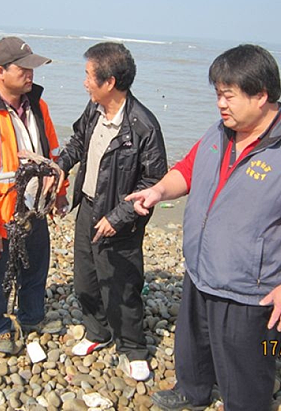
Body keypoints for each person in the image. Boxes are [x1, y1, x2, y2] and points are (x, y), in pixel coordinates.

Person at [127, 44, 281, 410]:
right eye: (218, 95)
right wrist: (158, 190)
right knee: (193, 346)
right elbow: (188, 169)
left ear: (261, 96)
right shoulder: (220, 131)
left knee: (245, 367)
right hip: (201, 269)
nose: (220, 104)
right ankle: (192, 392)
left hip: (249, 288)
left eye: (229, 95)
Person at [57, 42, 168, 381]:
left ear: (110, 82)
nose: (84, 82)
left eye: (89, 76)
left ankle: (133, 347)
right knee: (86, 279)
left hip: (121, 221)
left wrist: (119, 216)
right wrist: (61, 165)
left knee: (121, 285)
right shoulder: (95, 109)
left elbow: (154, 181)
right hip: (88, 208)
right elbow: (78, 141)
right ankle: (96, 331)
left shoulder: (143, 125)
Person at [0, 37, 67, 355]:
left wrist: (58, 192)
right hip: (1, 216)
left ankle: (32, 317)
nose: (31, 74)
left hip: (35, 209)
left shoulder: (38, 105)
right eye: (23, 68)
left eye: (33, 67)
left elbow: (53, 153)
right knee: (1, 274)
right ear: (0, 72)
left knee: (36, 267)